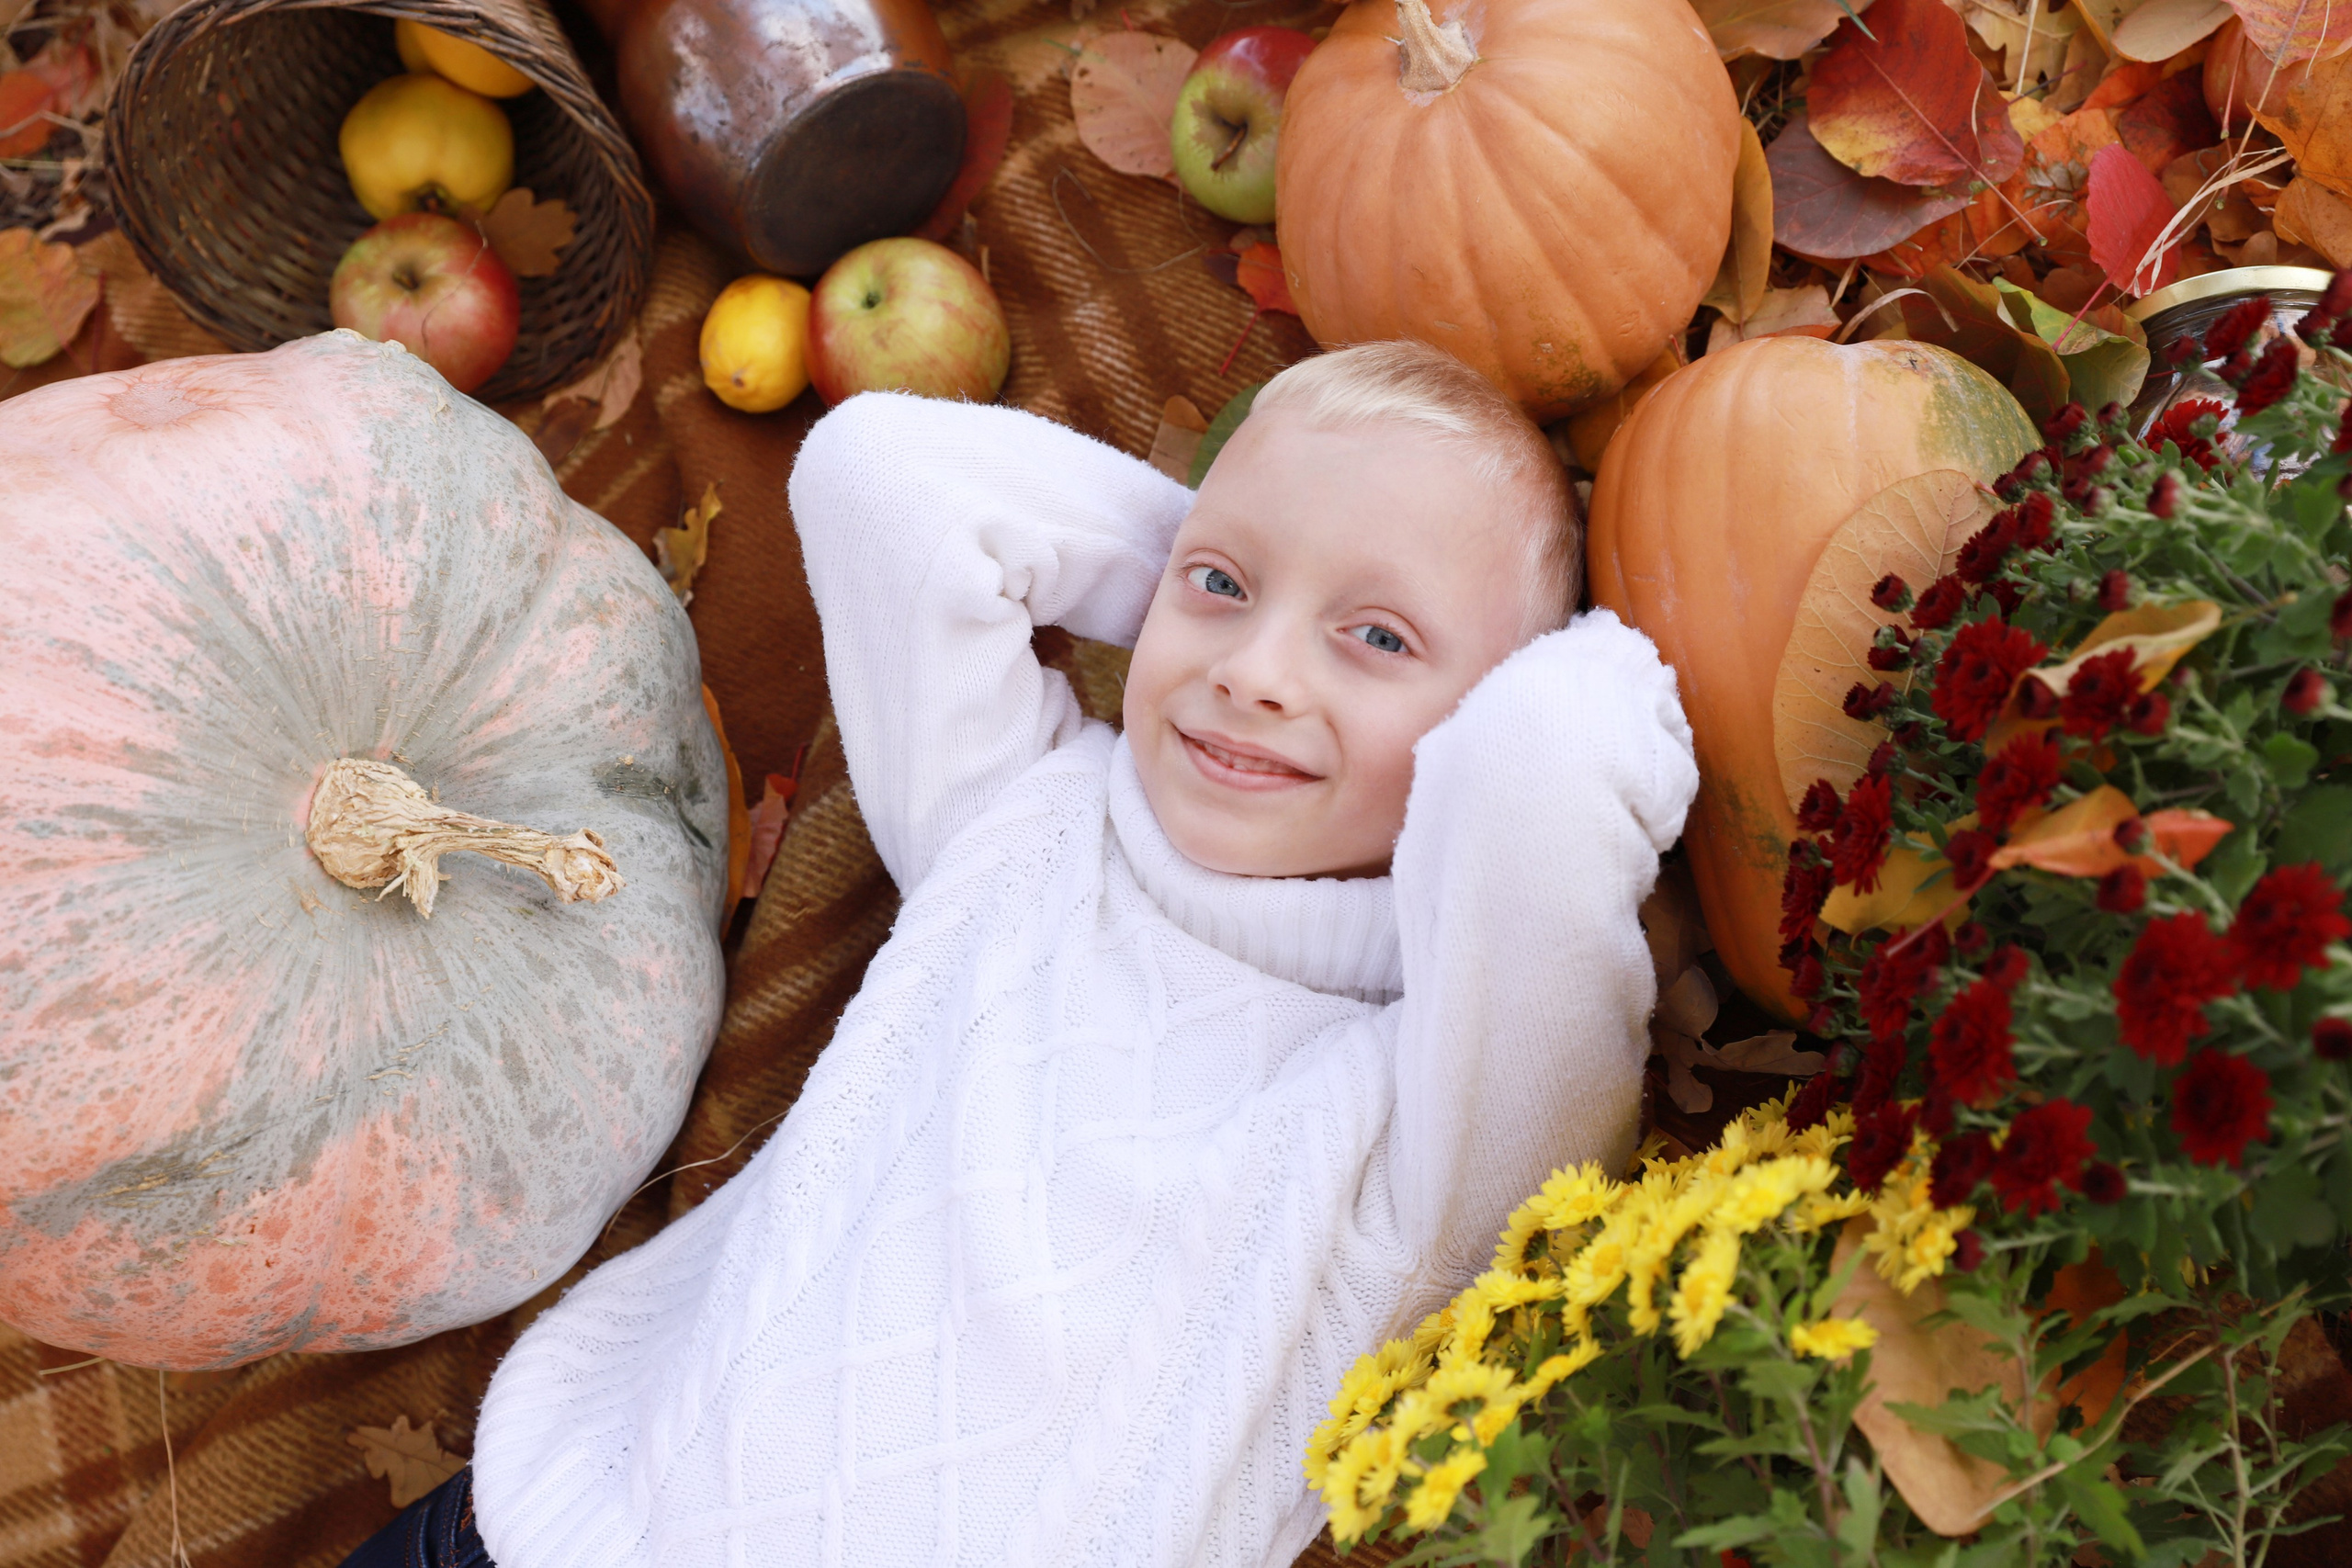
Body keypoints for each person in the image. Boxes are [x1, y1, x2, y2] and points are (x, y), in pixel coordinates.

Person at [347, 340, 1697, 1568]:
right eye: (1218, 587)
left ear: (1485, 719)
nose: (1258, 671)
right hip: (538, 1532)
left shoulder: (1426, 1122)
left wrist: (1546, 667)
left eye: (1378, 636)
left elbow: (1549, 776)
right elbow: (886, 483)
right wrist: (1225, 558)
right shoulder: (1027, 818)